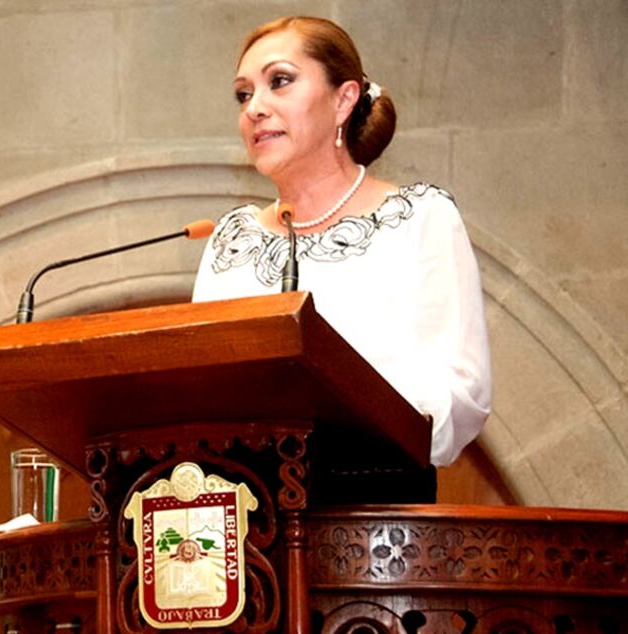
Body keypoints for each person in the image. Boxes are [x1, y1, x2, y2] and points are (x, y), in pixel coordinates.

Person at [192, 16, 491, 470]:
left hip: (375, 508)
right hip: (248, 511)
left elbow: (462, 389)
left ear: (343, 100)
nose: (255, 107)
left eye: (280, 81)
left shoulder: (418, 218)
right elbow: (198, 391)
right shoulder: (232, 240)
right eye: (244, 93)